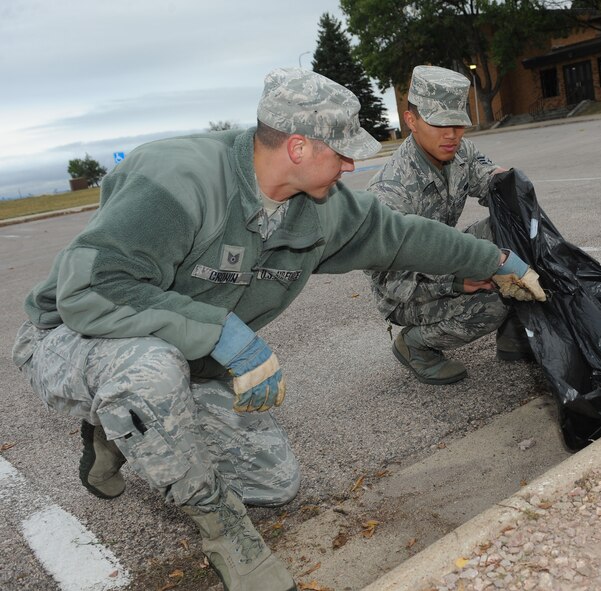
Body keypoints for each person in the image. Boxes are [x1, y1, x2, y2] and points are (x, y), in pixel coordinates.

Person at [11, 68, 544, 591]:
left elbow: (403, 236)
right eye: (341, 151)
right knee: (149, 371)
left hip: (182, 352)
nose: (352, 163)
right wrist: (222, 333)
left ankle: (116, 429)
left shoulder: (320, 206)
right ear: (298, 148)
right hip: (77, 338)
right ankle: (226, 535)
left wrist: (494, 259)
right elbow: (91, 291)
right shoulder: (177, 181)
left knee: (274, 482)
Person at [366, 65, 542, 386]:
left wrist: (509, 186)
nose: (452, 134)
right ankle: (416, 345)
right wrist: (458, 282)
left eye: (458, 122)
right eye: (439, 122)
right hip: (406, 291)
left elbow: (490, 181)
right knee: (493, 303)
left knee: (512, 230)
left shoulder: (459, 150)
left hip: (440, 255)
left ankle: (514, 333)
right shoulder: (391, 194)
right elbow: (393, 283)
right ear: (412, 121)